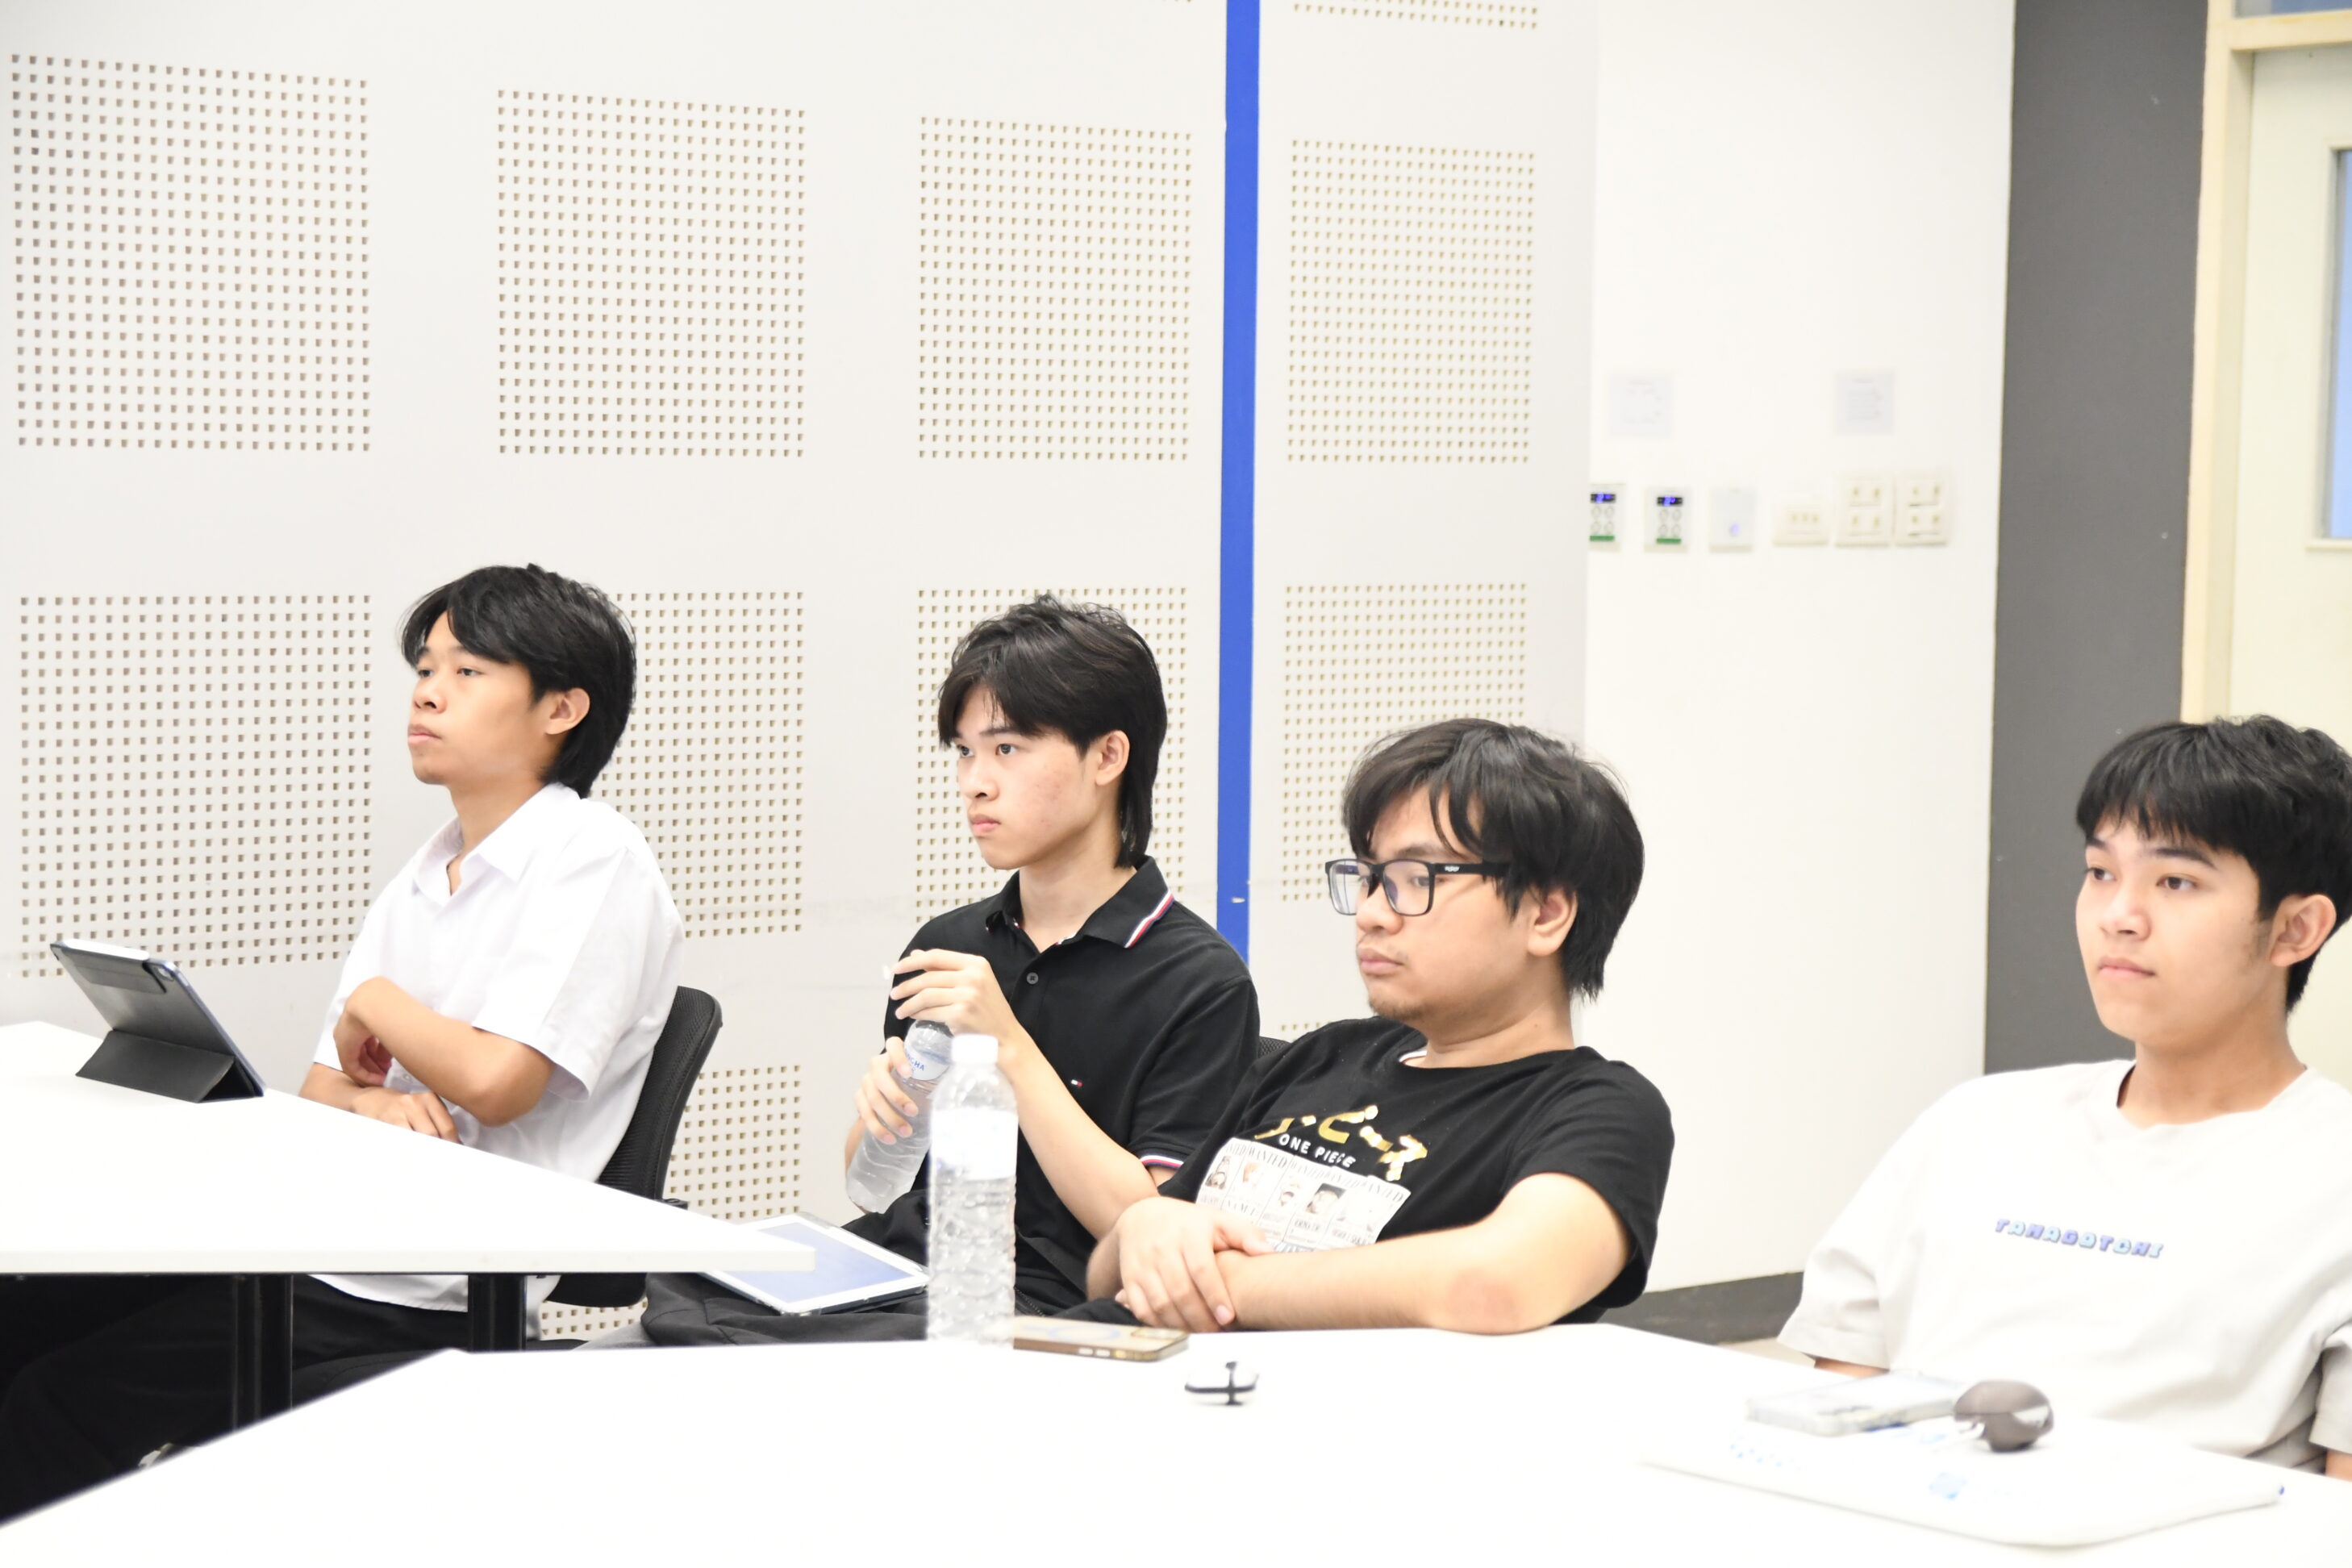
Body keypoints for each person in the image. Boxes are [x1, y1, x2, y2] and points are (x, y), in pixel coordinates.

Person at [0, 564, 678, 1518]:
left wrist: (375, 1001)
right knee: (21, 1321)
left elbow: (496, 1081)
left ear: (562, 708)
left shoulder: (593, 859)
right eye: (426, 668)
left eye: (469, 672)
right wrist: (377, 1099)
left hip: (425, 1285)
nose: (428, 692)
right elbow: (323, 1092)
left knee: (57, 1402)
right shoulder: (429, 870)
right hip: (319, 1237)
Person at [634, 597, 1256, 1345]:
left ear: (1107, 757)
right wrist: (882, 1117)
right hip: (897, 1271)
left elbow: (1150, 1228)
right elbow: (874, 1184)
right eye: (964, 752)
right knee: (684, 1294)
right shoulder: (950, 945)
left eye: (1008, 749)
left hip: (1040, 1311)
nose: (974, 783)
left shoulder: (1199, 981)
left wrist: (1009, 1048)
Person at [1780, 716, 2352, 1475]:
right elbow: (1837, 1404)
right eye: (2101, 872)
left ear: (2295, 929)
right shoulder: (1975, 1123)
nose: (2119, 916)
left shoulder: (2331, 1172)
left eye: (2176, 882)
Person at [1085, 717, 1673, 1335]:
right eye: (1368, 878)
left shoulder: (1598, 1110)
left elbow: (1495, 1285)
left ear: (1545, 915)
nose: (1370, 914)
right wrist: (1140, 1228)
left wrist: (1212, 1282)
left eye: (1416, 880)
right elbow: (1109, 1278)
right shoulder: (1324, 1056)